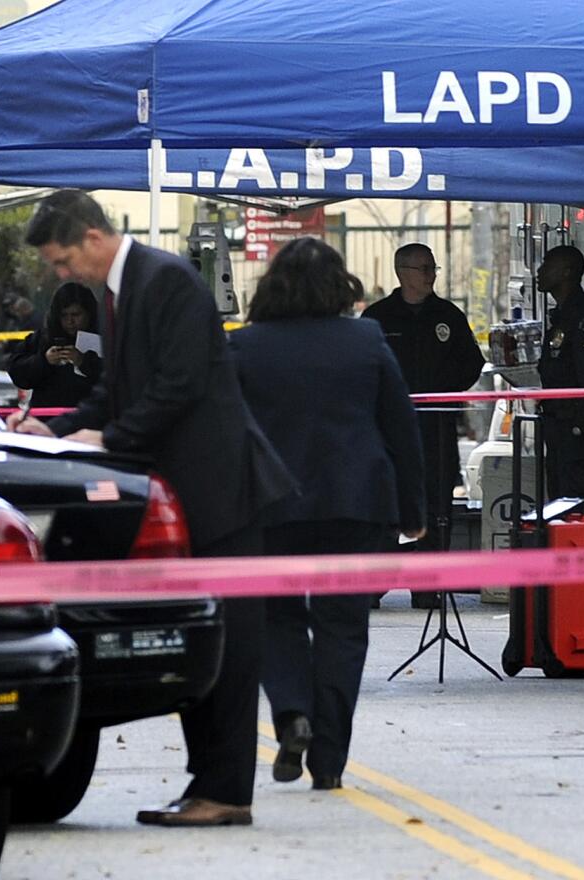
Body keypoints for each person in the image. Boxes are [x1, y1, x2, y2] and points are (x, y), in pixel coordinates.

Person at [7, 190, 294, 828]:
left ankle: (226, 791)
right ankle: (207, 786)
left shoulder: (166, 280)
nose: (61, 276)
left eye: (60, 260)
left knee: (233, 646)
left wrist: (106, 439)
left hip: (223, 493)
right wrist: (59, 432)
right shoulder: (122, 290)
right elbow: (117, 387)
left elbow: (178, 385)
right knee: (204, 643)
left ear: (89, 236)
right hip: (185, 498)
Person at [229, 237, 427, 791]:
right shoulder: (366, 340)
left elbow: (224, 432)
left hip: (271, 508)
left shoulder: (244, 348)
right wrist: (413, 509)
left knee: (277, 618)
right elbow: (400, 428)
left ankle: (292, 711)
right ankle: (330, 761)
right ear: (340, 286)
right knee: (342, 628)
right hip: (355, 505)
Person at [362, 244, 485, 607]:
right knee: (384, 506)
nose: (431, 275)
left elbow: (471, 363)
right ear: (403, 272)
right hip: (387, 431)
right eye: (424, 268)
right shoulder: (378, 317)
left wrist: (445, 389)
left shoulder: (447, 315)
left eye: (434, 267)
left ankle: (428, 585)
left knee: (436, 505)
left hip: (435, 429)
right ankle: (373, 584)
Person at [536, 244, 584, 508]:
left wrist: (580, 424)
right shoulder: (562, 316)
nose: (539, 271)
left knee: (574, 503)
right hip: (559, 426)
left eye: (547, 265)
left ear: (566, 272)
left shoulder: (583, 317)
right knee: (557, 500)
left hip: (576, 430)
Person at [4, 282, 102, 408]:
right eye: (64, 316)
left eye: (76, 315)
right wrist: (44, 361)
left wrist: (83, 361)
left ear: (89, 314)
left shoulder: (105, 338)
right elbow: (17, 371)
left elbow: (116, 376)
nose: (70, 321)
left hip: (91, 417)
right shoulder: (43, 338)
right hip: (48, 418)